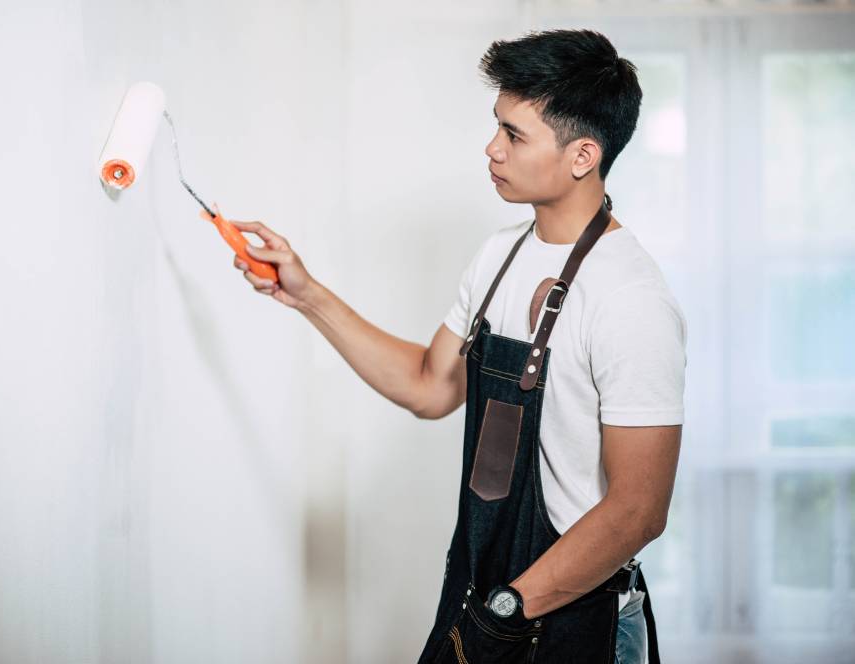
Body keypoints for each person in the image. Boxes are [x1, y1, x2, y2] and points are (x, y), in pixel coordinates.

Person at [229, 28, 685, 664]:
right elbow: (430, 385)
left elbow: (638, 510)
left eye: (514, 135)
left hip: (574, 618)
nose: (491, 148)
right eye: (496, 125)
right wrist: (306, 293)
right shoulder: (500, 255)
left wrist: (505, 613)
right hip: (485, 591)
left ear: (583, 155)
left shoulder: (631, 297)